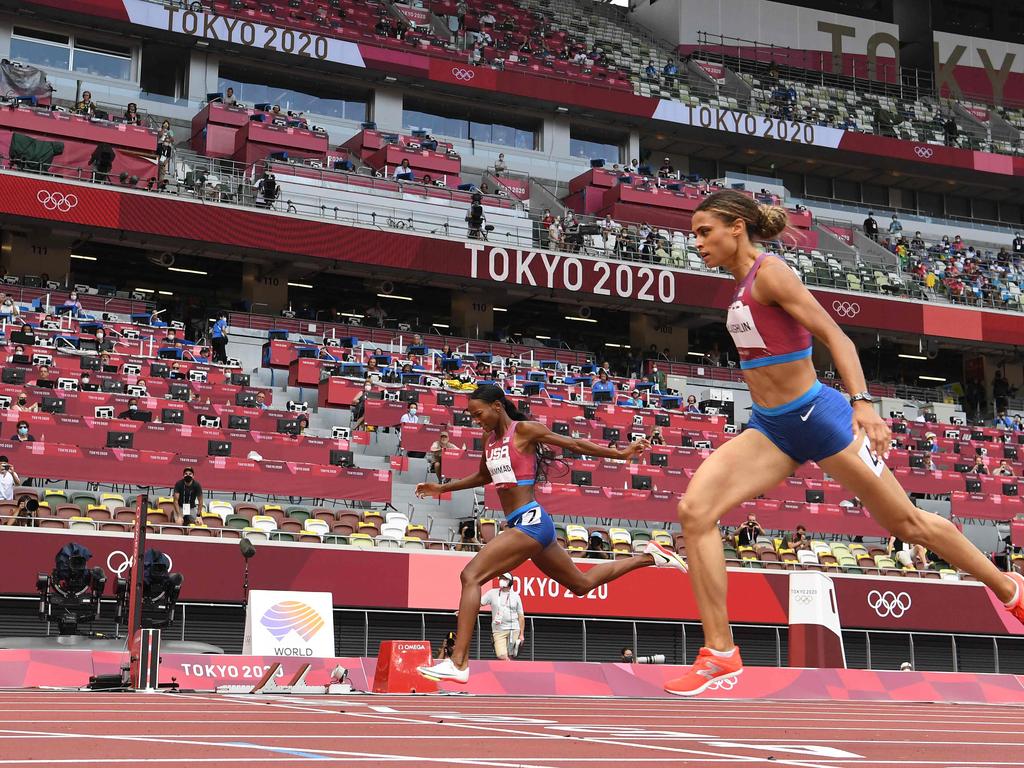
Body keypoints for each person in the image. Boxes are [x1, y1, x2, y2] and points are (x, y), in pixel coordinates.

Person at [665, 189, 1024, 697]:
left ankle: (1010, 589)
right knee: (694, 511)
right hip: (771, 427)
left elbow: (838, 337)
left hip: (821, 416)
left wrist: (863, 402)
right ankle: (720, 653)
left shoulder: (770, 273)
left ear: (736, 228)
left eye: (705, 231)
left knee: (907, 524)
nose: (696, 241)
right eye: (695, 234)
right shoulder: (740, 286)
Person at [414, 384, 686, 683]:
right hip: (527, 525)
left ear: (497, 406)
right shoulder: (489, 440)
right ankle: (650, 557)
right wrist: (442, 487)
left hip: (530, 522)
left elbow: (574, 444)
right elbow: (483, 476)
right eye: (471, 416)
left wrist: (619, 454)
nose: (475, 420)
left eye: (478, 414)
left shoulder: (525, 431)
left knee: (471, 576)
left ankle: (458, 662)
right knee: (581, 585)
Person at [480, 573, 524, 660]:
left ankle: (509, 672)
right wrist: (464, 611)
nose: (501, 580)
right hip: (498, 630)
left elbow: (521, 616)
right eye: (500, 578)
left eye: (504, 578)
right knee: (501, 655)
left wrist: (521, 634)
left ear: (510, 582)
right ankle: (510, 668)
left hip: (514, 629)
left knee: (511, 656)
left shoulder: (516, 596)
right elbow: (478, 603)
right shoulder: (492, 593)